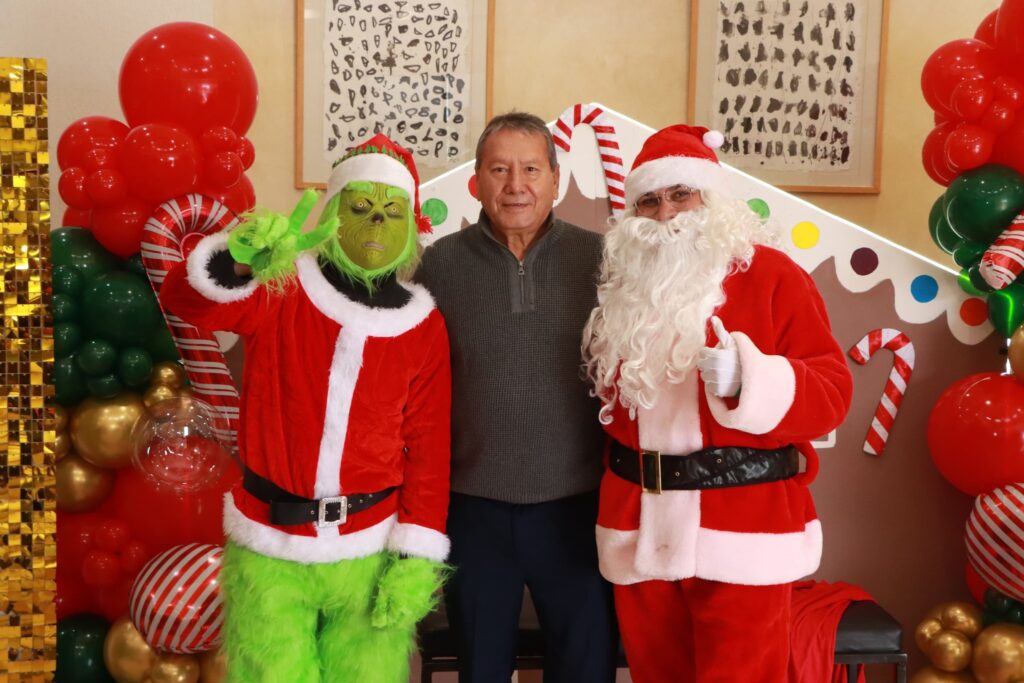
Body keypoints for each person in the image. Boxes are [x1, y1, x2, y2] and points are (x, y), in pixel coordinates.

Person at [160, 134, 451, 683]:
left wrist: (417, 555)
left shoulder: (423, 325)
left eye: (392, 211)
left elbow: (429, 450)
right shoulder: (282, 284)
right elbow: (186, 300)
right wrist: (238, 260)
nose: (376, 223)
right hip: (269, 543)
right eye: (360, 207)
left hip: (370, 545)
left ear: (412, 225)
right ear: (333, 211)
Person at [582, 124, 853, 682]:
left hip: (742, 527)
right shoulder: (622, 293)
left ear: (711, 199)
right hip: (639, 528)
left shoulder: (774, 276)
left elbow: (832, 394)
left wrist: (751, 380)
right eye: (649, 201)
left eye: (681, 194)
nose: (665, 214)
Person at [415, 112, 617, 683]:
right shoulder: (438, 265)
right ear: (476, 180)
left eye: (531, 169)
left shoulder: (604, 261)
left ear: (556, 178)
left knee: (586, 669)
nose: (515, 185)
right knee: (482, 669)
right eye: (499, 169)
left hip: (579, 508)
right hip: (473, 510)